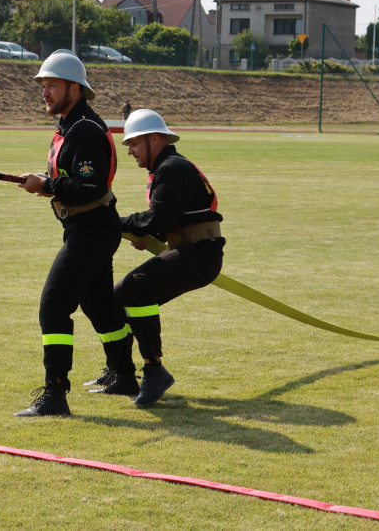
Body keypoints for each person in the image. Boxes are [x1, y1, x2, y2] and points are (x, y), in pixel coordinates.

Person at [14, 50, 135, 417]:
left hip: (92, 229)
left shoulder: (83, 128)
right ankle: (125, 376)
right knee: (99, 306)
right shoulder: (72, 125)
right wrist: (45, 182)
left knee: (54, 306)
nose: (45, 92)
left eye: (51, 85)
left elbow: (92, 187)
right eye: (42, 85)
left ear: (75, 88)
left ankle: (54, 395)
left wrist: (46, 185)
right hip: (86, 228)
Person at [107, 109, 225, 406]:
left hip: (198, 253)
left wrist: (118, 223)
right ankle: (122, 372)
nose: (130, 151)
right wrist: (150, 234)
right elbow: (171, 218)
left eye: (133, 143)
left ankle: (154, 369)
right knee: (120, 296)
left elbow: (159, 217)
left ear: (155, 139)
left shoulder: (172, 168)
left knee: (134, 288)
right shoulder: (169, 167)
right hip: (191, 250)